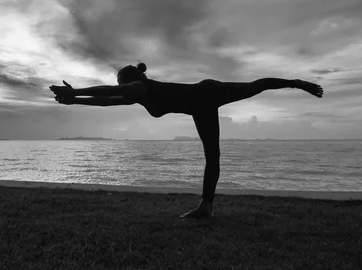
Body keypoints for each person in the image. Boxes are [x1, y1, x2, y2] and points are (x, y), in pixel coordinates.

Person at [50, 63, 323, 218]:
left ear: (131, 80)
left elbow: (110, 92)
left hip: (208, 93)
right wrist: (76, 99)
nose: (123, 89)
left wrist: (77, 92)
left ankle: (296, 82)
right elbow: (108, 101)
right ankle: (206, 208)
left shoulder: (140, 87)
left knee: (254, 87)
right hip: (200, 106)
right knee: (212, 157)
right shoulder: (139, 93)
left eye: (124, 83)